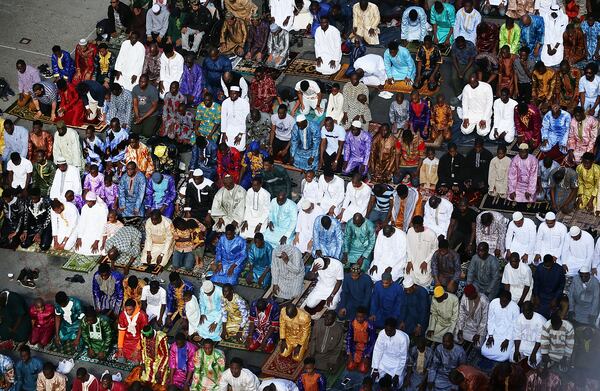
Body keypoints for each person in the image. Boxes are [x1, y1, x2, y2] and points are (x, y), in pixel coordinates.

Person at [481, 290, 520, 362]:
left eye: (505, 302)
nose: (502, 303)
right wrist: (490, 335)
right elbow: (490, 320)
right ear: (499, 298)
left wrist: (507, 340)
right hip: (495, 333)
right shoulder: (493, 303)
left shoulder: (515, 308)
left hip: (507, 335)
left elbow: (514, 326)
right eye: (501, 301)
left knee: (504, 356)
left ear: (509, 301)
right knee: (484, 351)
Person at [371, 318, 410, 388]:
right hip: (384, 360)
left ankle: (402, 374)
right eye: (386, 330)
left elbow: (403, 358)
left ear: (395, 328)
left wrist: (397, 374)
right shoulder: (382, 333)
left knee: (397, 383)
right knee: (375, 378)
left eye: (390, 331)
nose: (387, 332)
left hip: (397, 362)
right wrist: (375, 369)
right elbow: (377, 351)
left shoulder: (402, 338)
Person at [511, 301, 545, 367]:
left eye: (528, 311)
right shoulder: (519, 318)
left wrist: (533, 354)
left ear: (533, 309)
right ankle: (522, 356)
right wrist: (516, 350)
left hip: (535, 346)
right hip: (523, 343)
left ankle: (530, 357)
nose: (526, 314)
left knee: (533, 364)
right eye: (524, 311)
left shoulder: (540, 320)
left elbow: (539, 339)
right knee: (512, 358)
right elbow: (517, 335)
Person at [533, 254, 566, 320]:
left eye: (549, 266)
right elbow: (536, 283)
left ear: (553, 262)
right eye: (545, 266)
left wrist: (555, 299)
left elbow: (561, 287)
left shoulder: (559, 270)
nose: (547, 268)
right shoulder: (539, 268)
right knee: (538, 315)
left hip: (554, 296)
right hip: (541, 296)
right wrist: (536, 296)